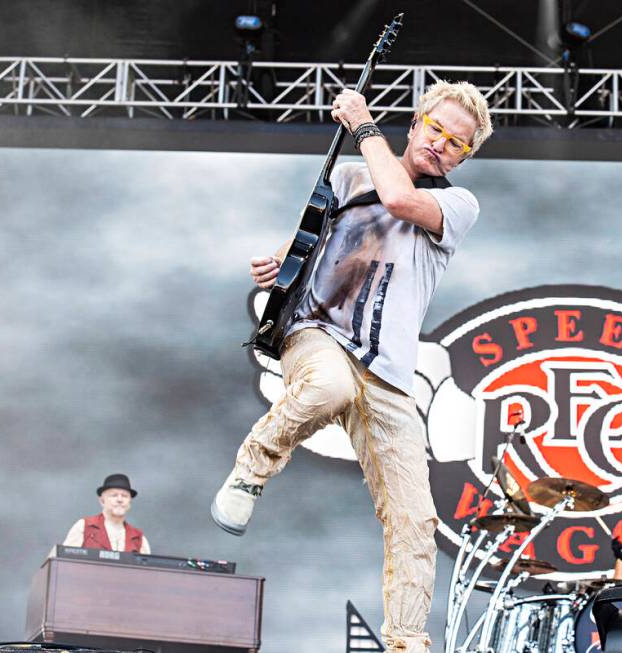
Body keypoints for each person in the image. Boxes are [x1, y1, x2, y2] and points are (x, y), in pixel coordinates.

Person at [210, 80, 493, 653]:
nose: (441, 144)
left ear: (466, 157)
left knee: (415, 520)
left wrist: (364, 126)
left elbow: (399, 201)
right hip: (318, 336)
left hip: (388, 373)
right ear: (415, 124)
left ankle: (407, 642)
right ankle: (252, 467)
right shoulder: (347, 176)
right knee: (329, 386)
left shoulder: (457, 204)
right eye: (435, 129)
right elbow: (305, 247)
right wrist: (276, 268)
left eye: (456, 143)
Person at [63, 473, 151, 554]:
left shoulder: (138, 538)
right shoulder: (84, 527)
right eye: (114, 495)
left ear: (129, 503)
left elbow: (147, 570)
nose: (120, 500)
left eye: (124, 496)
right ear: (102, 501)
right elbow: (64, 560)